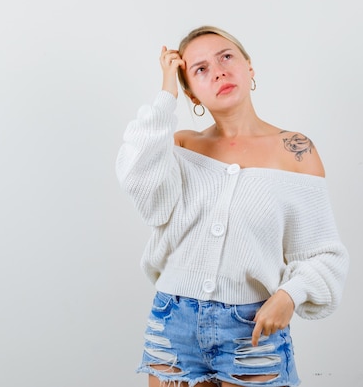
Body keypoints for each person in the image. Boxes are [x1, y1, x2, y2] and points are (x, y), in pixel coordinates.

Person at [115, 25, 349, 387]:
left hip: (251, 330)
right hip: (172, 321)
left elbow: (324, 252)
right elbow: (139, 183)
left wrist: (290, 294)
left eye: (226, 57)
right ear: (190, 92)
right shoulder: (180, 147)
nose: (219, 71)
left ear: (249, 67)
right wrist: (166, 94)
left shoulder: (295, 150)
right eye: (200, 69)